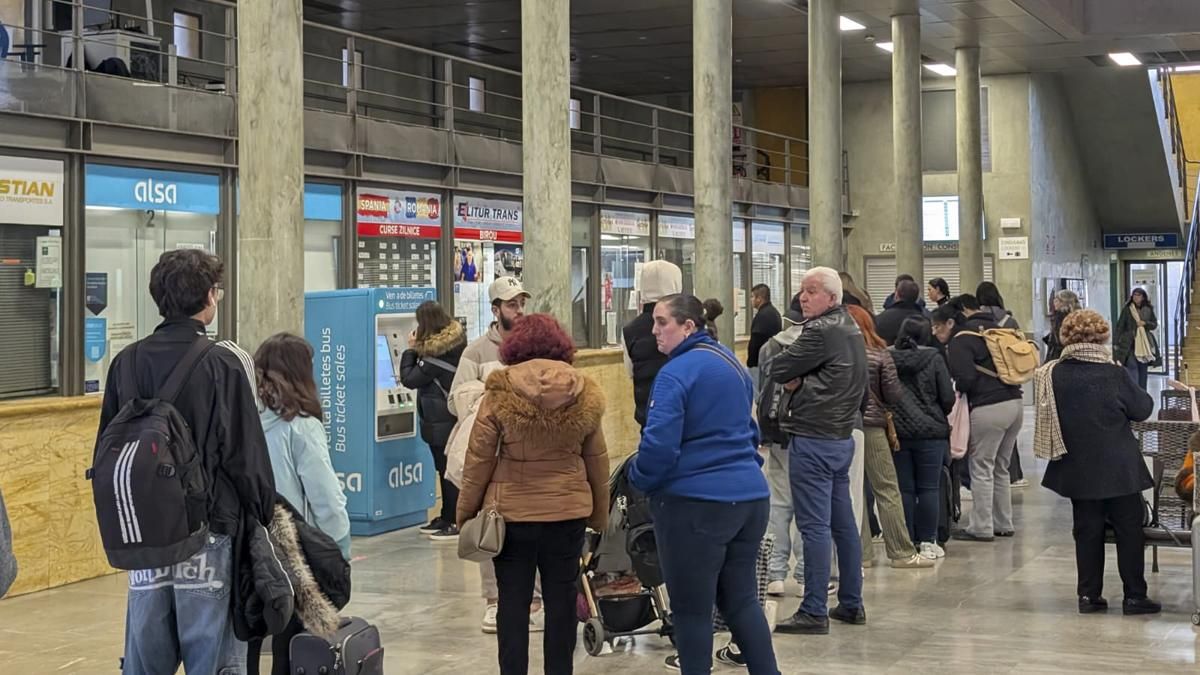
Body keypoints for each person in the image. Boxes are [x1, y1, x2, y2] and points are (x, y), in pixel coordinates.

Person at [97, 250, 275, 674]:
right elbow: (245, 455)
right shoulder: (222, 363)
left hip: (146, 532)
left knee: (144, 656)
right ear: (209, 298)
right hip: (207, 528)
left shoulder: (126, 362)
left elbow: (107, 444)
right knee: (210, 655)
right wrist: (263, 513)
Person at [629, 294, 779, 675]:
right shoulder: (729, 362)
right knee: (741, 601)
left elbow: (659, 447)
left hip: (694, 503)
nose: (654, 330)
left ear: (688, 327)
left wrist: (638, 478)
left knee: (692, 611)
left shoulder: (674, 374)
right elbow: (749, 430)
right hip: (749, 497)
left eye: (663, 322)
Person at [457, 314, 610, 675]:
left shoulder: (499, 390)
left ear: (515, 347)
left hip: (512, 518)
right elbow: (597, 461)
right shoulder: (584, 390)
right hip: (567, 515)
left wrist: (465, 513)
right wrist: (599, 516)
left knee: (512, 603)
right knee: (560, 602)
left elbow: (478, 459)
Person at [1036, 310, 1160, 616]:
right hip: (1119, 466)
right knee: (1129, 530)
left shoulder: (1053, 373)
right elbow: (1143, 408)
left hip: (1077, 465)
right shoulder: (1113, 373)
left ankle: (1089, 596)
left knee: (1087, 530)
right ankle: (1134, 596)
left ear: (1067, 336)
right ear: (1102, 336)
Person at [771, 267, 868, 635]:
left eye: (811, 291)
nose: (803, 298)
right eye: (801, 291)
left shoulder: (819, 330)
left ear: (832, 297)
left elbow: (777, 366)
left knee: (813, 526)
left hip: (813, 437)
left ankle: (814, 609)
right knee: (843, 524)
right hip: (841, 437)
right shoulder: (850, 326)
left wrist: (798, 380)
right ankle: (851, 602)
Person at [249, 333, 352, 675]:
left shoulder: (242, 420)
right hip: (293, 548)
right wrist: (338, 550)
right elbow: (326, 499)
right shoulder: (301, 427)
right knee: (291, 641)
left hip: (247, 542)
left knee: (247, 635)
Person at [447, 275, 538, 633]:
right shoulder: (476, 352)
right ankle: (494, 600)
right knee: (492, 525)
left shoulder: (535, 346)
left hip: (528, 453)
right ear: (496, 308)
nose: (519, 309)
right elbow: (457, 400)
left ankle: (534, 599)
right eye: (512, 303)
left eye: (522, 303)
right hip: (494, 453)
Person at [844, 304, 933, 570]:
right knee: (886, 488)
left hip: (843, 425)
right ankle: (901, 551)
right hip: (872, 425)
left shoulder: (839, 353)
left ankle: (861, 554)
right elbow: (894, 394)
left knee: (854, 491)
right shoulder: (879, 353)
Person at [934, 295, 1023, 542]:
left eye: (937, 326)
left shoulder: (961, 340)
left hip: (989, 406)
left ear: (951, 323)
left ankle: (982, 526)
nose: (935, 331)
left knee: (981, 467)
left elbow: (965, 379)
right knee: (1001, 466)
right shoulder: (995, 329)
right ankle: (1003, 522)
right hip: (1015, 402)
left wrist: (956, 387)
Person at [400, 300, 468, 542]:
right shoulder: (455, 345)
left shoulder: (434, 355)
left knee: (447, 471)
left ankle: (454, 521)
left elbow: (409, 379)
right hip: (446, 418)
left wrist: (409, 349)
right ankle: (447, 515)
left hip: (442, 421)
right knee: (445, 470)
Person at [889, 316, 955, 558]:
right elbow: (947, 397)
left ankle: (907, 540)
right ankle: (928, 540)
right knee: (928, 487)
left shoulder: (888, 357)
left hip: (898, 432)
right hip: (931, 431)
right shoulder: (934, 358)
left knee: (904, 488)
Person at [974, 281, 1026, 488]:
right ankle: (1014, 475)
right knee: (1008, 443)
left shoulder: (977, 321)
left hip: (985, 387)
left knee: (984, 453)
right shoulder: (1009, 320)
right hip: (1010, 386)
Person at [622, 260, 684, 430]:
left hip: (648, 417)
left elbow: (630, 372)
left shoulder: (629, 330)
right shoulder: (687, 324)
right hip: (684, 417)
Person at [1113, 288, 1158, 391]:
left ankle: (1142, 394)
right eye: (1134, 295)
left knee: (1143, 372)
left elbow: (1154, 324)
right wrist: (1116, 342)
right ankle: (1134, 394)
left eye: (1138, 295)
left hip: (1144, 345)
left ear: (1143, 297)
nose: (1136, 297)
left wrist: (1145, 323)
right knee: (1132, 370)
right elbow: (1120, 326)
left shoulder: (1148, 309)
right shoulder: (1127, 309)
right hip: (1130, 345)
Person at [875, 278, 926, 346]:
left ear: (896, 295)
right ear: (917, 298)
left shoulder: (879, 320)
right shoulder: (926, 320)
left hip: (887, 355)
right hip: (920, 356)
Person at [747, 284, 783, 377]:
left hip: (760, 364)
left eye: (752, 297)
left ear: (759, 298)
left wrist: (751, 364)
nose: (751, 300)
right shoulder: (774, 312)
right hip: (771, 361)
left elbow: (756, 343)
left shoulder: (763, 316)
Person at [1043, 289, 1081, 362]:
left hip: (1059, 355)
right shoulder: (1078, 315)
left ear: (1064, 302)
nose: (1054, 303)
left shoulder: (1060, 316)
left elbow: (1058, 339)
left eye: (1057, 300)